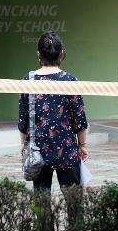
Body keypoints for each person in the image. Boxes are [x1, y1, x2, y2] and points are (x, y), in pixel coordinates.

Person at [18, 31, 89, 191]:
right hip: (67, 150)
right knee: (74, 201)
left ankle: (40, 217)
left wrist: (22, 144)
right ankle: (76, 218)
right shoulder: (71, 81)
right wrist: (82, 144)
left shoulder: (28, 80)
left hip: (37, 151)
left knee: (40, 202)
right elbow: (80, 119)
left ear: (38, 54)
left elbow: (23, 119)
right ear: (61, 54)